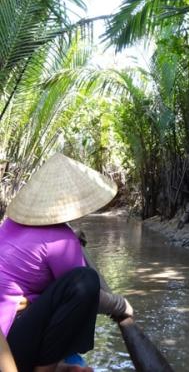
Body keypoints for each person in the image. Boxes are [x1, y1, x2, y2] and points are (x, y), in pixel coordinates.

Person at [0, 153, 134, 372]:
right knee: (86, 280)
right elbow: (88, 295)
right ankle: (47, 368)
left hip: (11, 331)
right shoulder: (62, 239)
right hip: (9, 349)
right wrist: (121, 305)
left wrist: (73, 236)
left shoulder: (10, 223)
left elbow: (37, 254)